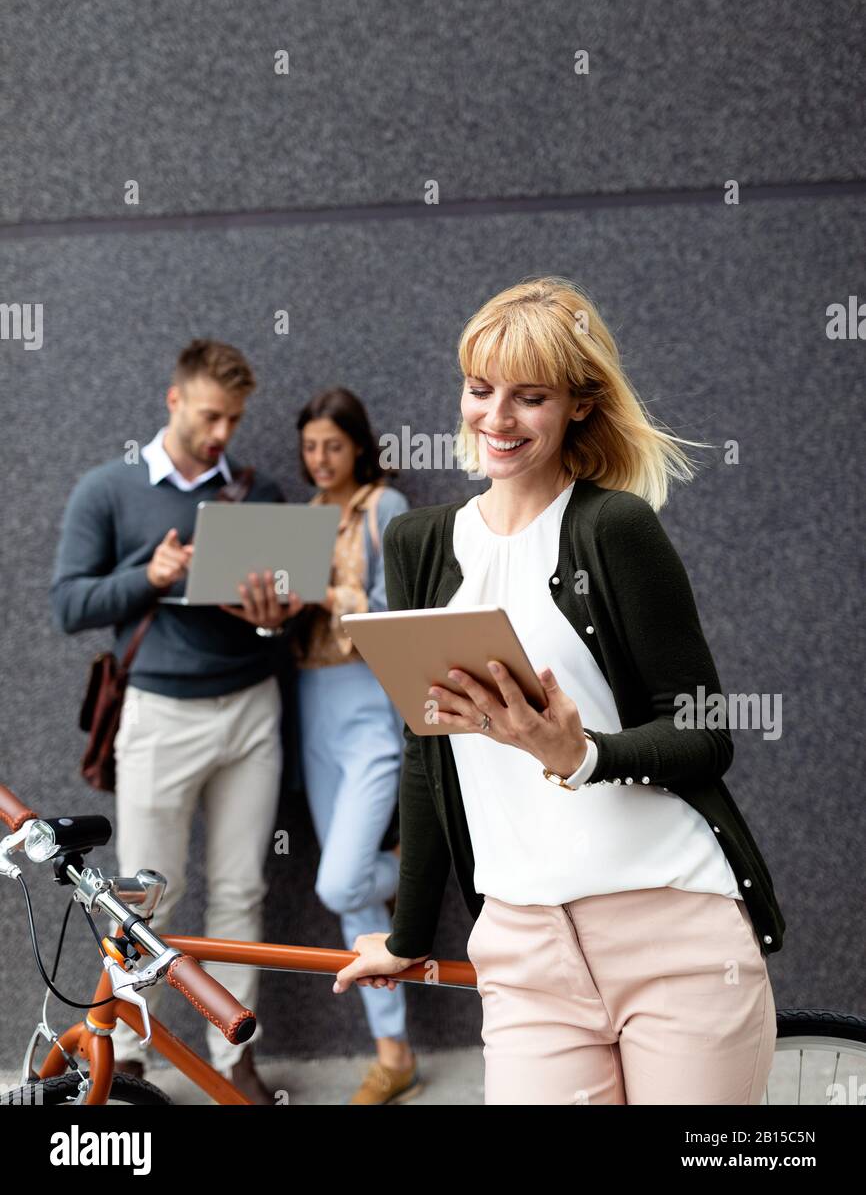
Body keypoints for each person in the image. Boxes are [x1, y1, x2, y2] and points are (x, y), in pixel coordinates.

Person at [333, 276, 786, 1106]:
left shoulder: (614, 528)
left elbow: (705, 732)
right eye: (480, 389)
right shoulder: (420, 542)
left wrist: (579, 755)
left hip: (671, 931)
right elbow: (426, 749)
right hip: (522, 947)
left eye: (529, 397)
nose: (496, 419)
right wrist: (406, 935)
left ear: (580, 403)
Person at [50, 339, 300, 1105]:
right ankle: (125, 1054)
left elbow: (283, 618)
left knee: (240, 891)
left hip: (252, 709)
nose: (223, 431)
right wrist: (148, 576)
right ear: (174, 400)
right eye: (210, 414)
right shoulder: (109, 490)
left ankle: (235, 1060)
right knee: (146, 895)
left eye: (234, 418)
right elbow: (69, 605)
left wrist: (272, 619)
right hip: (159, 711)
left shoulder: (260, 497)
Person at [283, 387, 420, 1104]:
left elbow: (402, 611)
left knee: (342, 880)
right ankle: (394, 1054)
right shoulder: (301, 518)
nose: (319, 460)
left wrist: (332, 595)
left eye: (332, 446)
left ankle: (404, 873)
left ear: (358, 446)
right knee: (351, 906)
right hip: (310, 703)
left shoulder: (383, 507)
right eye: (309, 447)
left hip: (369, 700)